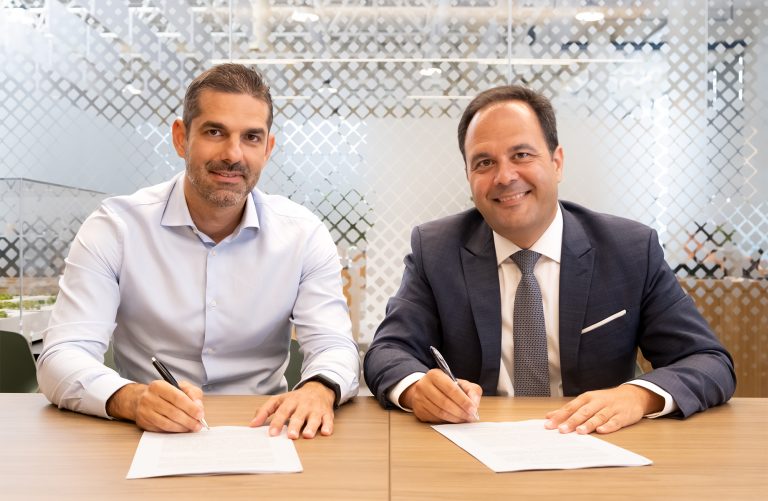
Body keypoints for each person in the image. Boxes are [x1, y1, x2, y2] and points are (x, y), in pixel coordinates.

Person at [363, 85, 735, 434]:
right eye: (484, 162)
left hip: (594, 444)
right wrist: (417, 388)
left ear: (557, 162)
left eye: (521, 155)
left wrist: (636, 397)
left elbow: (708, 361)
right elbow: (388, 351)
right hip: (476, 444)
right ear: (468, 176)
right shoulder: (436, 249)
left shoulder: (630, 250)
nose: (504, 176)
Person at [37, 64, 359, 439]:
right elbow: (62, 355)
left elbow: (335, 346)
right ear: (181, 138)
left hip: (265, 430)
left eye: (251, 137)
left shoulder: (303, 235)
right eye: (214, 132)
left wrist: (319, 388)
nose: (233, 154)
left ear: (268, 149)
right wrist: (130, 399)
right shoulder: (116, 228)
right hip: (144, 434)